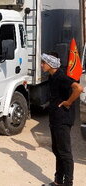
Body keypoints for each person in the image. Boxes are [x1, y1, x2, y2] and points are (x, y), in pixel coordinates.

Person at [40, 53, 83, 186]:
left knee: (64, 152)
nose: (41, 65)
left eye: (43, 63)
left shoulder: (61, 77)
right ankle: (58, 181)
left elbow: (79, 88)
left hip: (63, 119)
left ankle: (68, 183)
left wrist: (68, 102)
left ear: (50, 64)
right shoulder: (52, 76)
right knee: (57, 150)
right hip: (55, 118)